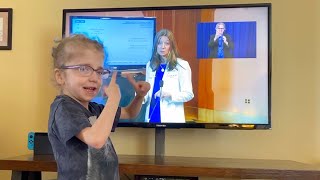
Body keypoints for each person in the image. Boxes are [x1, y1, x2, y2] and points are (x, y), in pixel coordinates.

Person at [48, 34, 150, 180]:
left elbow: (129, 113)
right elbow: (96, 139)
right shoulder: (63, 108)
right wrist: (114, 99)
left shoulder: (94, 109)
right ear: (60, 76)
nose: (95, 78)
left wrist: (139, 96)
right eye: (84, 69)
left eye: (100, 71)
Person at [145, 29, 194, 123]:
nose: (162, 47)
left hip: (171, 118)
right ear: (156, 45)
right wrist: (140, 95)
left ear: (171, 46)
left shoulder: (182, 65)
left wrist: (170, 95)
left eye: (166, 43)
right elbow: (148, 93)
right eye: (159, 43)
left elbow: (189, 94)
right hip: (151, 116)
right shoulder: (150, 65)